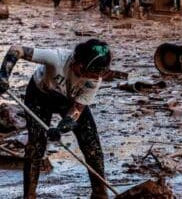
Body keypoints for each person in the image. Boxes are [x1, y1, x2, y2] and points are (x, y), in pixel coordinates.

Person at [0, 39, 112, 198]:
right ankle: (29, 195)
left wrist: (62, 127)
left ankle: (100, 193)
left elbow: (77, 109)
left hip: (69, 100)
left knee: (91, 143)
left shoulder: (94, 80)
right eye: (86, 72)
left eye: (94, 75)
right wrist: (4, 75)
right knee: (36, 145)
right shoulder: (56, 58)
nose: (89, 77)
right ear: (77, 61)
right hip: (39, 95)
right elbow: (17, 49)